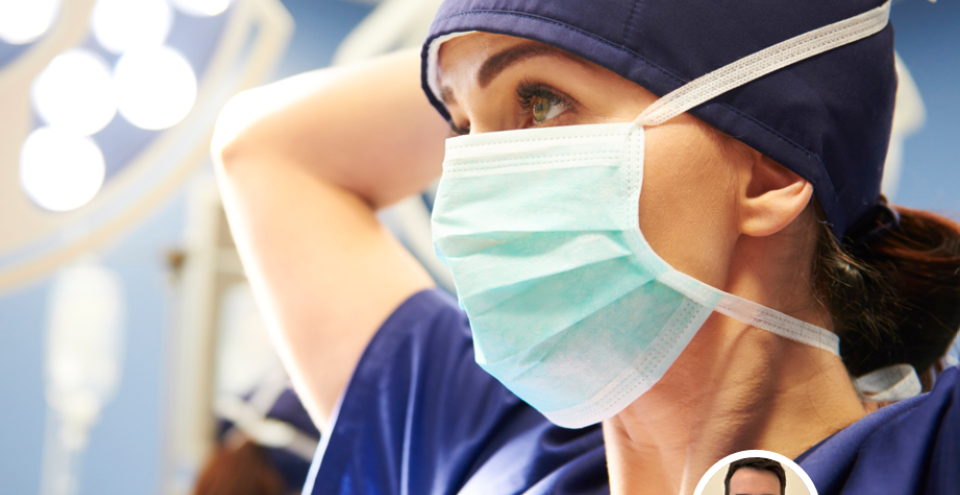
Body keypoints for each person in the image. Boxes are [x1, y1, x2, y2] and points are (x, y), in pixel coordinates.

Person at [211, 0, 960, 493]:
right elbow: (266, 149)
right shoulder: (476, 449)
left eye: (539, 103)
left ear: (768, 175)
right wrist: (496, 44)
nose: (474, 177)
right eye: (460, 129)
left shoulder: (931, 457)